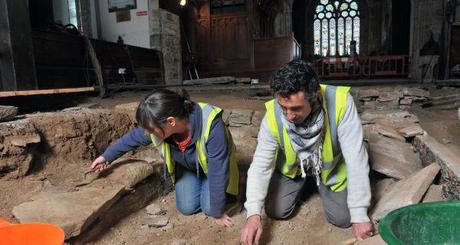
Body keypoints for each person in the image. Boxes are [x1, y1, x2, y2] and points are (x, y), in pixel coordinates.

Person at [240, 60, 373, 244]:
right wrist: (253, 214)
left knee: (344, 218)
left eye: (295, 108)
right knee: (275, 210)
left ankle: (319, 183)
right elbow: (260, 165)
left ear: (314, 97)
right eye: (283, 107)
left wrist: (359, 214)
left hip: (330, 171)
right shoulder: (272, 114)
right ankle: (305, 183)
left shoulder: (341, 103)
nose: (288, 116)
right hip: (295, 171)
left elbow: (356, 159)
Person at [90, 89, 239, 227]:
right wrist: (106, 157)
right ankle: (200, 185)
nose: (147, 133)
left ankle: (223, 192)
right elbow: (133, 138)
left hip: (214, 169)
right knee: (187, 207)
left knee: (210, 208)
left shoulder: (211, 125)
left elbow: (218, 171)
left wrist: (218, 212)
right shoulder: (159, 124)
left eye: (150, 129)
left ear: (171, 121)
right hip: (187, 167)